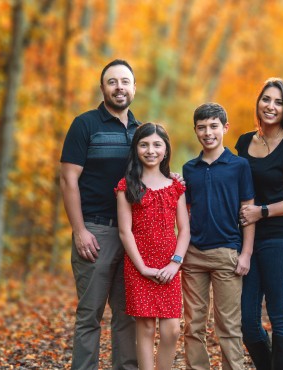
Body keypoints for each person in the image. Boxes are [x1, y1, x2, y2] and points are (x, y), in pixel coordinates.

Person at [60, 59, 141, 370]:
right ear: (103, 88)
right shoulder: (85, 125)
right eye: (112, 82)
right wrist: (80, 230)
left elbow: (151, 174)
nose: (119, 87)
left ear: (134, 87)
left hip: (132, 235)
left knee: (127, 315)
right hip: (96, 232)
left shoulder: (139, 130)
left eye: (125, 81)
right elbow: (68, 179)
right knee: (90, 314)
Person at [235, 78, 283, 370]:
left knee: (280, 314)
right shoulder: (244, 142)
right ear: (258, 102)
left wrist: (263, 211)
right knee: (247, 322)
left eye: (278, 102)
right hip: (248, 240)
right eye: (266, 99)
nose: (271, 106)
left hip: (282, 238)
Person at [181, 103, 255, 370]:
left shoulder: (239, 166)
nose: (207, 132)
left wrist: (245, 253)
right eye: (201, 127)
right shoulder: (189, 169)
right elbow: (185, 213)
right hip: (194, 256)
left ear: (225, 128)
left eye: (213, 126)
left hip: (227, 254)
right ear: (195, 131)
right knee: (193, 325)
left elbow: (247, 212)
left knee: (228, 326)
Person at [115, 122, 190, 370]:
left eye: (157, 144)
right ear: (136, 149)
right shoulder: (127, 186)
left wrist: (175, 263)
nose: (151, 150)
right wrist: (142, 267)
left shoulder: (175, 186)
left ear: (166, 150)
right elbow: (125, 231)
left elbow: (184, 230)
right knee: (145, 327)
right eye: (144, 144)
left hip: (170, 266)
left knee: (171, 330)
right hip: (139, 266)